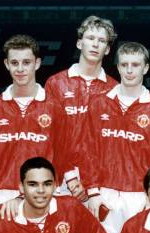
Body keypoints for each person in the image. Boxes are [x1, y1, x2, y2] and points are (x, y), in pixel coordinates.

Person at [81, 42, 150, 233]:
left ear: (146, 68)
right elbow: (88, 151)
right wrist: (93, 193)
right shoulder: (99, 104)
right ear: (118, 67)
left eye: (135, 64)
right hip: (105, 193)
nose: (130, 70)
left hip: (139, 194)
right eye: (125, 64)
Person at [0, 34, 65, 206]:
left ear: (37, 63)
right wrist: (5, 184)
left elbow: (63, 154)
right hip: (5, 193)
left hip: (44, 193)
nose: (20, 69)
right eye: (14, 63)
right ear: (6, 65)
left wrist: (52, 185)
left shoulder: (54, 108)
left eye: (26, 62)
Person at [45, 15, 118, 199]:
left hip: (101, 181)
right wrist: (70, 177)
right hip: (61, 179)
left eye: (101, 41)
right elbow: (50, 136)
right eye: (90, 38)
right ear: (79, 43)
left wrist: (92, 181)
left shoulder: (114, 89)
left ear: (107, 49)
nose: (95, 44)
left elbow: (112, 143)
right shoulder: (56, 83)